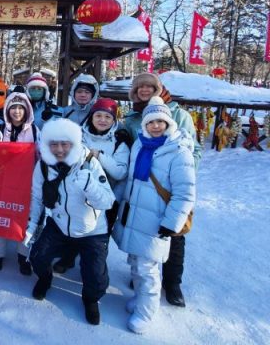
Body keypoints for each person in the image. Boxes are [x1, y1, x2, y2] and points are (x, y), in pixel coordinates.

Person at [112, 97, 195, 334]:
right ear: (145, 124)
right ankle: (140, 300)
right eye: (151, 121)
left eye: (160, 121)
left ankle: (146, 313)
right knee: (136, 264)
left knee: (147, 269)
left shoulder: (179, 151)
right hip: (134, 216)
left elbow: (185, 192)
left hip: (156, 221)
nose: (156, 126)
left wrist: (172, 223)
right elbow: (130, 180)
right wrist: (115, 203)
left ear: (169, 122)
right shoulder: (140, 144)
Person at [122, 72, 201, 307]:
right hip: (143, 186)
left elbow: (194, 150)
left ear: (158, 88)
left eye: (149, 86)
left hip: (168, 185)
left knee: (174, 235)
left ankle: (172, 282)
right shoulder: (132, 118)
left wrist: (179, 175)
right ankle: (142, 276)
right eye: (139, 88)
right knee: (143, 231)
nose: (144, 90)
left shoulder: (178, 114)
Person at [26, 118, 115, 325]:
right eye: (54, 144)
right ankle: (45, 279)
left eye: (65, 144)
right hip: (59, 224)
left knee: (96, 276)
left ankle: (90, 299)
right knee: (37, 257)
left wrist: (90, 185)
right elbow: (37, 197)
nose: (59, 150)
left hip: (92, 230)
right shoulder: (44, 166)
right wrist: (32, 227)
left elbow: (108, 201)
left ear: (74, 143)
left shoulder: (88, 162)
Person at [52, 97, 132, 274]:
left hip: (105, 196)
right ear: (91, 116)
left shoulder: (119, 140)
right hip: (76, 193)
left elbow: (120, 172)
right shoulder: (78, 134)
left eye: (108, 117)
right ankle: (68, 258)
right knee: (72, 226)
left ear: (114, 119)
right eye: (98, 116)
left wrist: (99, 156)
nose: (102, 120)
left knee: (98, 237)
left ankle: (92, 268)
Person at [0, 90, 39, 275]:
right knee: (0, 216)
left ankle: (23, 255)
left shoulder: (35, 131)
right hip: (2, 182)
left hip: (27, 182)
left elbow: (41, 155)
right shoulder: (0, 129)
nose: (17, 111)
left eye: (21, 108)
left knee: (24, 219)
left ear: (27, 110)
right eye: (13, 108)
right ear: (7, 110)